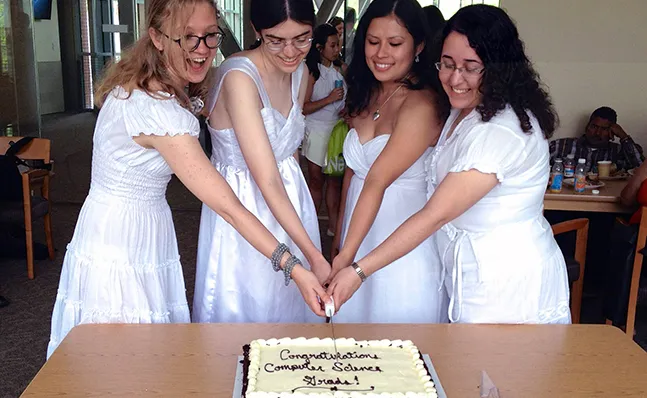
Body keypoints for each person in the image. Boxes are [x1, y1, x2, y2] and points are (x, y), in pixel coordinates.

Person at [47, 0, 329, 359]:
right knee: (122, 357)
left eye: (211, 36)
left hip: (134, 224)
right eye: (188, 38)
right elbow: (229, 208)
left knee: (140, 355)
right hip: (122, 240)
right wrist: (295, 266)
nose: (202, 50)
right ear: (158, 38)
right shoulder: (155, 109)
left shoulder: (151, 85)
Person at [327, 4, 571, 325]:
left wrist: (357, 269)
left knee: (504, 371)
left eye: (471, 67)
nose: (455, 78)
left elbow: (435, 213)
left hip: (507, 280)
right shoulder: (466, 109)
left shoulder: (501, 130)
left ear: (498, 68)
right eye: (448, 64)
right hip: (468, 272)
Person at [193, 0, 330, 323]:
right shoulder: (240, 77)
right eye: (276, 40)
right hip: (245, 206)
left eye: (302, 38)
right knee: (249, 311)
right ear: (256, 31)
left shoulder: (301, 73)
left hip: (292, 201)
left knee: (293, 311)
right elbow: (265, 178)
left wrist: (305, 240)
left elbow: (288, 154)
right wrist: (312, 252)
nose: (290, 52)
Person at [328, 0, 448, 323]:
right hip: (357, 231)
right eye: (372, 41)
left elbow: (377, 179)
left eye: (395, 44)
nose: (381, 54)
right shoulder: (364, 93)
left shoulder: (422, 103)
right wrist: (340, 243)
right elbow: (352, 176)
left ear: (418, 46)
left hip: (399, 238)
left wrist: (347, 260)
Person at [303, 23, 346, 239]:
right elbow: (304, 106)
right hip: (317, 129)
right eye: (332, 45)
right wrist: (329, 99)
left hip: (337, 130)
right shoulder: (313, 72)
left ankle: (333, 224)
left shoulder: (340, 68)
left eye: (338, 44)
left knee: (335, 180)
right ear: (320, 48)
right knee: (317, 180)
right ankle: (309, 225)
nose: (337, 48)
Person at [549, 107, 643, 171]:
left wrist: (624, 137)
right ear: (587, 127)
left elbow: (641, 169)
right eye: (594, 127)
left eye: (604, 129)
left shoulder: (619, 151)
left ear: (612, 131)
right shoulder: (560, 146)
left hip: (606, 198)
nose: (597, 133)